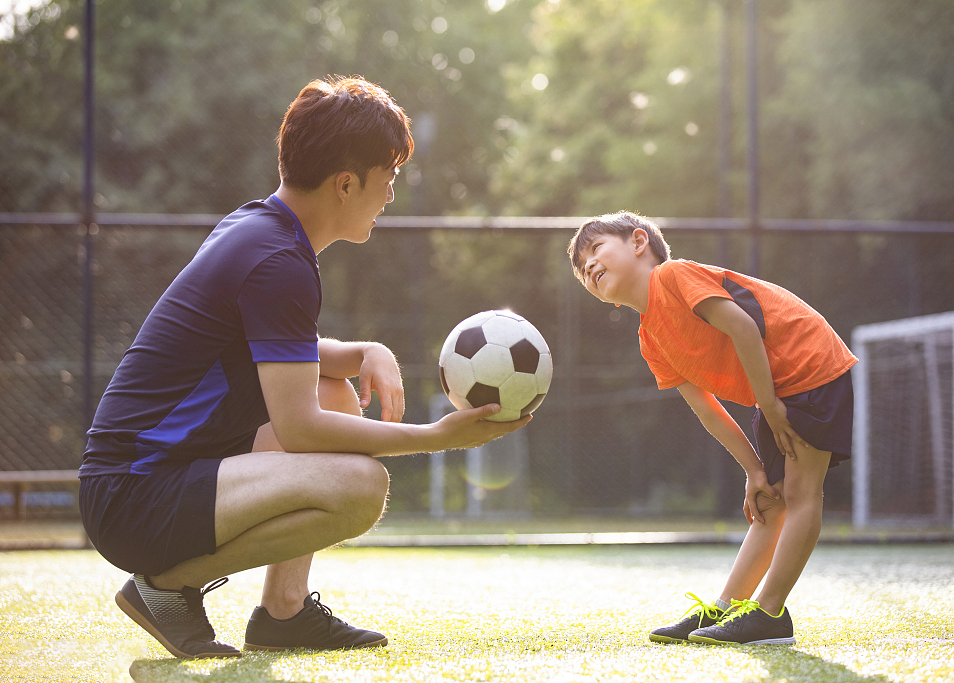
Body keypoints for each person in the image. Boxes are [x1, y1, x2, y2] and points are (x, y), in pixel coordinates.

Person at [78, 75, 528, 660]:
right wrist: (434, 437)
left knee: (337, 392)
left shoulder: (258, 226)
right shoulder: (279, 261)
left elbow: (283, 352)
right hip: (134, 494)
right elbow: (299, 429)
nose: (390, 195)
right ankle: (166, 586)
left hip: (150, 477)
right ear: (346, 184)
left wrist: (364, 351)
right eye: (387, 179)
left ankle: (283, 614)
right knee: (361, 488)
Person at [567, 211, 857, 646]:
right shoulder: (650, 338)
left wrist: (768, 404)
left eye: (595, 248)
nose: (588, 265)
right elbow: (706, 408)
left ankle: (770, 613)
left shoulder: (673, 275)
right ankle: (725, 608)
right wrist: (753, 471)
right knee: (771, 501)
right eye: (581, 269)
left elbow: (743, 326)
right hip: (775, 391)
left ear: (639, 242)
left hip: (809, 366)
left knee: (799, 495)